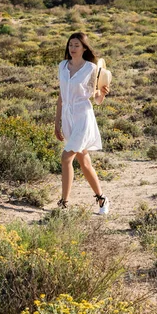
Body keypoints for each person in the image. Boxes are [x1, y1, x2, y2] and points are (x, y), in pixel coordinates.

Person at [54, 32, 111, 215]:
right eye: (70, 45)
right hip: (68, 118)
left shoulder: (91, 68)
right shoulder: (62, 66)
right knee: (84, 163)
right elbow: (61, 96)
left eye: (77, 45)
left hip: (83, 117)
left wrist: (102, 94)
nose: (72, 48)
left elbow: (96, 98)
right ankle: (102, 198)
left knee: (65, 158)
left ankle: (63, 203)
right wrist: (57, 122)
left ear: (84, 48)